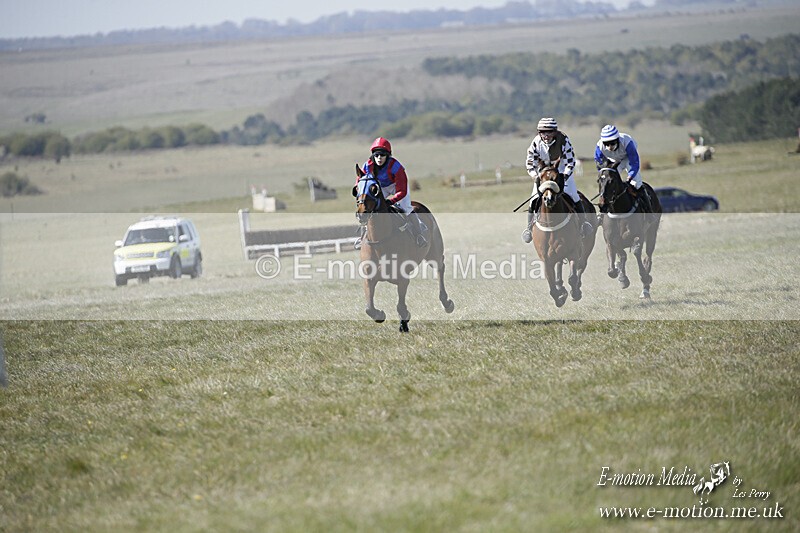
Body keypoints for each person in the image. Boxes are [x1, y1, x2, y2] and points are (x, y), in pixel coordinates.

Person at [522, 117, 593, 243]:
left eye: (549, 131)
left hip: (561, 172)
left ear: (555, 131)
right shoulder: (535, 143)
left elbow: (570, 162)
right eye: (543, 132)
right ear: (539, 133)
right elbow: (529, 163)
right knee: (533, 199)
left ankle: (584, 223)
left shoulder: (564, 140)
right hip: (542, 175)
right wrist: (535, 176)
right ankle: (528, 228)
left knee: (574, 196)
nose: (546, 135)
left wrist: (564, 177)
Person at [356, 137, 427, 248]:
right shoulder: (367, 166)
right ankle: (363, 237)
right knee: (369, 206)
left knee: (406, 208)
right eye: (376, 155)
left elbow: (402, 191)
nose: (379, 158)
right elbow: (360, 181)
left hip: (396, 187)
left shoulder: (396, 167)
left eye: (382, 155)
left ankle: (419, 235)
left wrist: (392, 201)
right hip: (380, 187)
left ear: (387, 155)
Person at [594, 125, 652, 214]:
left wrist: (630, 176)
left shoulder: (627, 142)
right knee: (608, 184)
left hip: (628, 158)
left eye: (612, 143)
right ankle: (603, 212)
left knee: (636, 183)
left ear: (617, 139)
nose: (609, 147)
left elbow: (634, 162)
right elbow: (600, 165)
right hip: (614, 161)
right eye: (606, 144)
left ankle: (648, 210)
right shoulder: (599, 147)